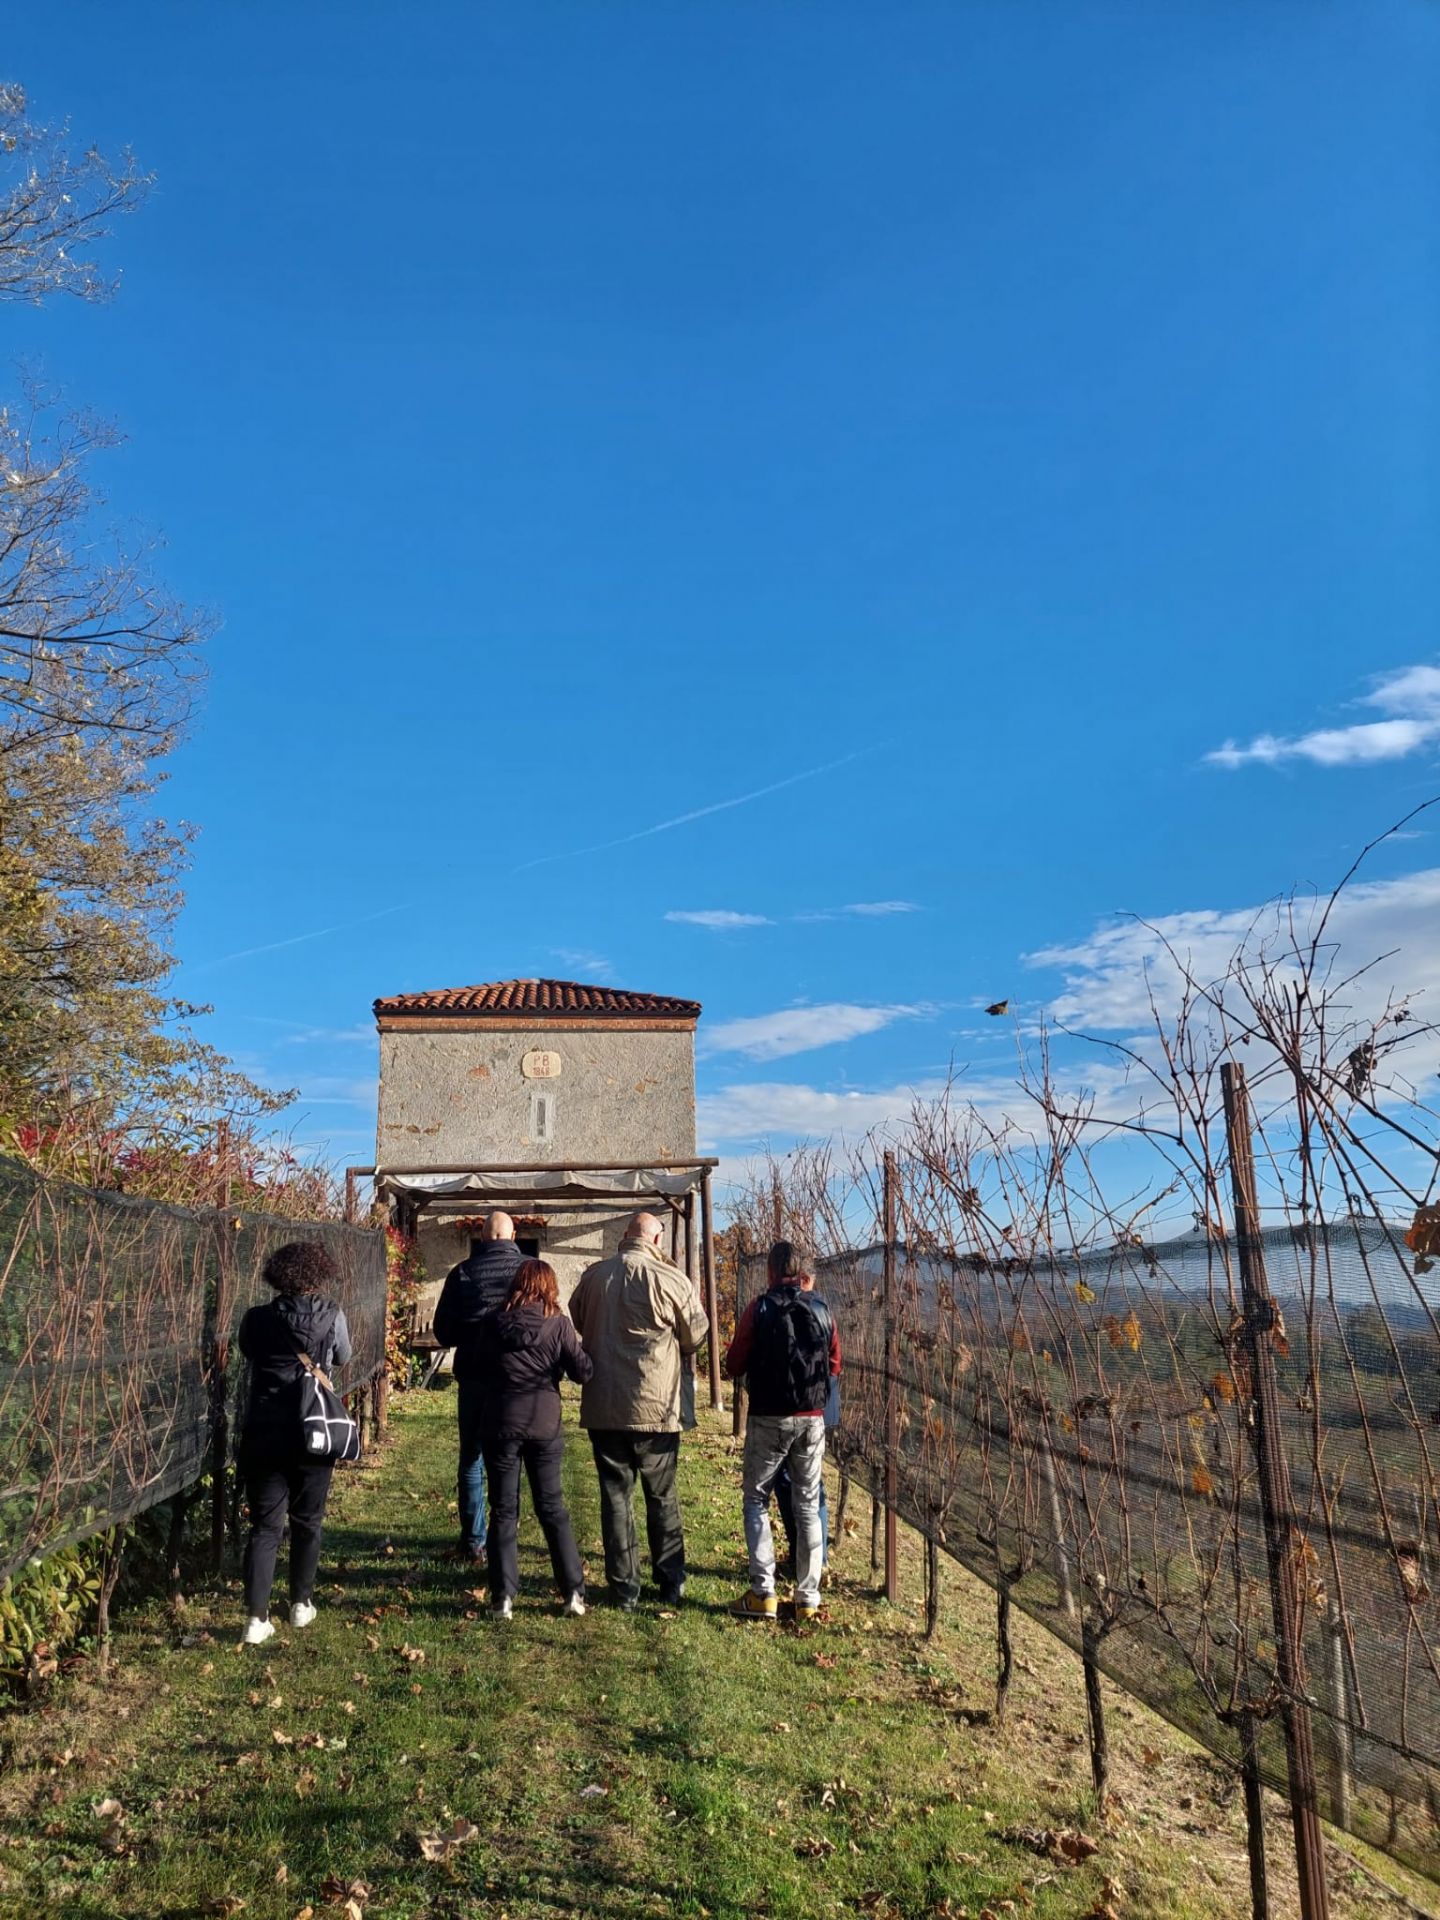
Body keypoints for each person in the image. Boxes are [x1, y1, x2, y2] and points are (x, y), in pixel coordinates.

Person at [568, 1211, 709, 1611]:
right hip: (657, 1407)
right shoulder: (671, 1280)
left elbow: (579, 1318)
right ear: (657, 1240)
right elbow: (696, 1335)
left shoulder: (594, 1277)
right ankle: (670, 1582)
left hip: (605, 1405)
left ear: (625, 1236)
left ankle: (624, 1589)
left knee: (615, 1498)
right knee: (662, 1497)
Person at [237, 1241, 353, 1647]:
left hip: (264, 1431)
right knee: (308, 1520)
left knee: (265, 1526)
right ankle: (301, 1603)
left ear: (277, 1274)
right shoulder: (332, 1314)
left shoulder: (257, 1318)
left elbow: (248, 1351)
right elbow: (343, 1356)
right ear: (319, 1273)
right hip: (313, 1431)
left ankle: (256, 1618)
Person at [725, 1240, 841, 1624]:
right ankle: (808, 1599)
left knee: (756, 1500)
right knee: (807, 1504)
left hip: (768, 1418)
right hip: (812, 1419)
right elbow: (835, 1365)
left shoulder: (759, 1308)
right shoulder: (822, 1309)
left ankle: (764, 1595)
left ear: (770, 1271)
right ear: (800, 1271)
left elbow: (734, 1362)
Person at [474, 1258, 593, 1619]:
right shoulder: (558, 1324)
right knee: (552, 1507)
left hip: (500, 1420)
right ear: (550, 1287)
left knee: (503, 1509)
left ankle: (503, 1596)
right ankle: (572, 1591)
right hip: (543, 1421)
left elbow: (472, 1367)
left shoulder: (493, 1322)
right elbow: (583, 1371)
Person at [432, 1211, 524, 1566]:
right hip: (517, 1380)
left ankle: (474, 1541)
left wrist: (470, 1332)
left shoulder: (462, 1273)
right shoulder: (530, 1271)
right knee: (509, 1459)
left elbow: (443, 1331)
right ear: (513, 1236)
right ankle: (506, 1537)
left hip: (473, 1377)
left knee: (471, 1459)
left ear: (483, 1237)